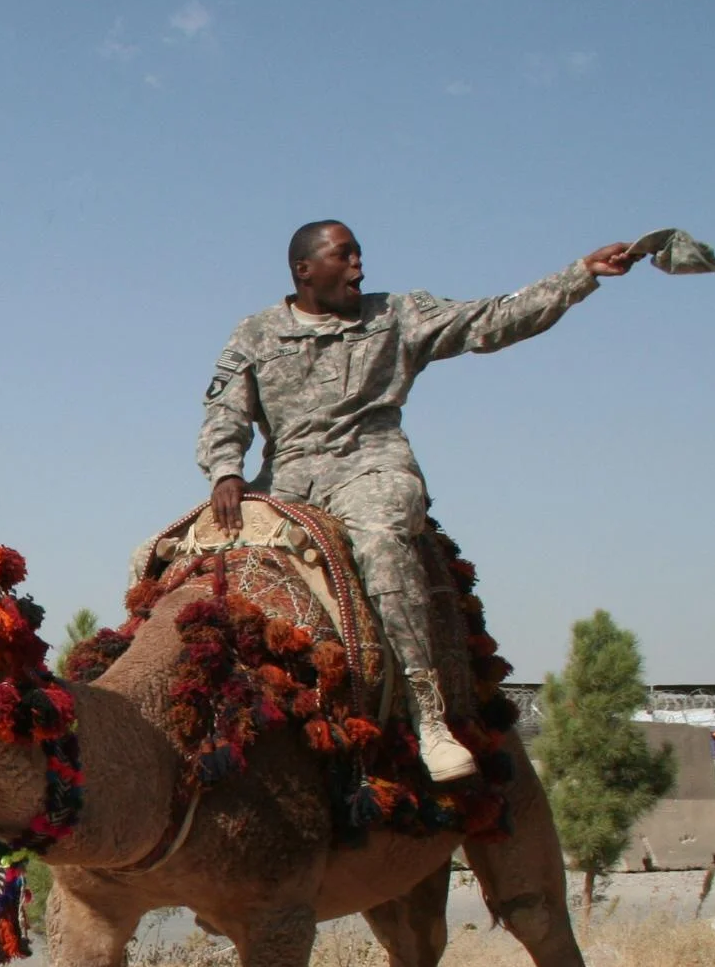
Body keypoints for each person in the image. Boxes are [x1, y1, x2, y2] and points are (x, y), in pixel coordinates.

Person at [196, 221, 638, 781]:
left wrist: (579, 276)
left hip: (370, 466)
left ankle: (426, 713)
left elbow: (493, 319)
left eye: (359, 255)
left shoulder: (397, 315)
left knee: (380, 543)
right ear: (304, 270)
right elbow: (224, 412)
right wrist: (226, 471)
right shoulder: (255, 333)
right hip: (283, 477)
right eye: (344, 256)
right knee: (174, 556)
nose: (359, 266)